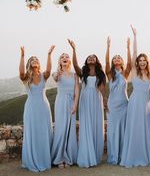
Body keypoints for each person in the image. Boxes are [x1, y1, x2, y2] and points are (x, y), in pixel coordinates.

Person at [120, 26, 150, 167]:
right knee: (134, 128)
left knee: (145, 130)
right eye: (140, 60)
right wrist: (135, 36)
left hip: (146, 105)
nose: (142, 62)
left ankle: (145, 156)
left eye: (144, 60)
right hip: (134, 103)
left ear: (147, 62)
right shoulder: (134, 71)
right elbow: (134, 52)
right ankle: (133, 156)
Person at [68, 39, 107, 167]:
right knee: (86, 126)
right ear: (87, 60)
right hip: (85, 100)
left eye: (93, 57)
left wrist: (105, 102)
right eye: (89, 57)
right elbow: (74, 64)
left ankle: (95, 155)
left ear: (96, 61)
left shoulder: (100, 74)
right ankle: (86, 155)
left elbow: (102, 89)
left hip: (96, 101)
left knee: (96, 125)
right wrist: (74, 49)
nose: (91, 59)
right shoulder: (82, 72)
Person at [19, 45, 55, 172]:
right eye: (32, 59)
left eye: (36, 59)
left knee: (44, 132)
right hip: (31, 108)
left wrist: (49, 54)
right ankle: (33, 159)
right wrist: (23, 56)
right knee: (33, 132)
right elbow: (21, 72)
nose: (35, 60)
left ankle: (45, 158)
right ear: (30, 63)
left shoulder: (44, 76)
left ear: (39, 64)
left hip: (43, 107)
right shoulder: (26, 77)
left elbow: (49, 70)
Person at [105, 36, 131, 164]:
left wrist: (128, 47)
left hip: (124, 104)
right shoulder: (110, 74)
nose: (117, 59)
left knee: (123, 130)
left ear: (122, 61)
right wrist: (108, 47)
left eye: (119, 57)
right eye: (114, 58)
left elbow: (131, 63)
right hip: (112, 105)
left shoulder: (125, 73)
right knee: (113, 130)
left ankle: (123, 155)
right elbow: (105, 63)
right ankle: (114, 156)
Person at [51, 53, 79, 168]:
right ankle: (59, 158)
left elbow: (77, 91)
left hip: (72, 103)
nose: (64, 58)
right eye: (62, 57)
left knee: (70, 130)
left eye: (66, 57)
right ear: (60, 61)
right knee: (61, 129)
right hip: (61, 102)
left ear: (70, 61)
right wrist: (58, 72)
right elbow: (55, 77)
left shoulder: (75, 75)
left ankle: (69, 158)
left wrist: (75, 105)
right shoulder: (56, 73)